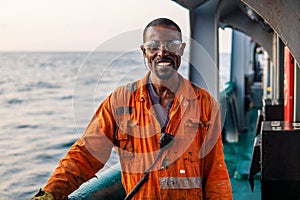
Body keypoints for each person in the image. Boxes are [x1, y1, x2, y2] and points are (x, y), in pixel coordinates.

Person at [32, 18, 232, 200]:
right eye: (154, 46)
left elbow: (216, 172)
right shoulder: (120, 101)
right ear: (144, 51)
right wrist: (50, 193)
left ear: (181, 49)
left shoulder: (204, 103)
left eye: (171, 45)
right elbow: (86, 153)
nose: (162, 52)